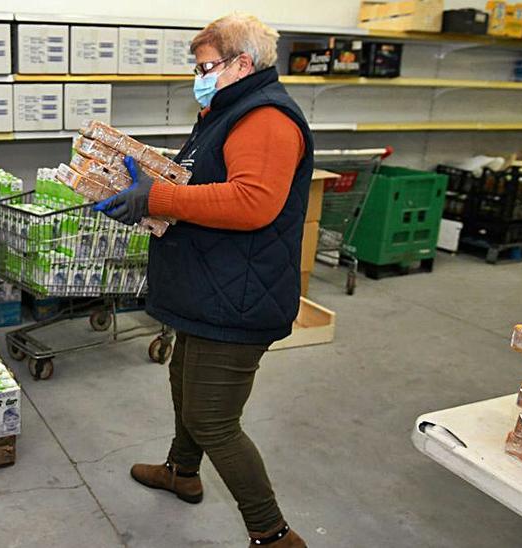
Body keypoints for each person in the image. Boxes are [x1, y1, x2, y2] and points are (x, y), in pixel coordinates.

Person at [94, 13, 312, 548]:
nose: (200, 75)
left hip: (237, 296)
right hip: (209, 284)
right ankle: (181, 472)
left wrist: (157, 196)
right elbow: (208, 184)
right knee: (184, 384)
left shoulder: (265, 119)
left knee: (213, 418)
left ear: (243, 63)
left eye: (207, 66)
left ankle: (274, 533)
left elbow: (252, 202)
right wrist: (148, 186)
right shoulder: (226, 111)